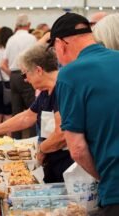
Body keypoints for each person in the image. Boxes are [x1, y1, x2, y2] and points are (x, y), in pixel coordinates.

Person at [49, 12, 119, 215]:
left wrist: (103, 176)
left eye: (55, 51)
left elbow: (77, 148)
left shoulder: (70, 74)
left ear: (61, 44)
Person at [0, 44, 73, 183]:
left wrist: (42, 149)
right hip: (52, 160)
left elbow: (61, 134)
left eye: (25, 73)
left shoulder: (62, 90)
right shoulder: (46, 91)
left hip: (66, 164)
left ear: (38, 70)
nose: (25, 79)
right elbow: (27, 116)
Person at [1, 14, 37, 139]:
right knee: (34, 110)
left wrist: (13, 74)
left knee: (15, 112)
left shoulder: (11, 39)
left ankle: (15, 141)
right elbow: (35, 58)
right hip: (26, 74)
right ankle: (34, 140)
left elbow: (3, 64)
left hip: (14, 76)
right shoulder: (31, 38)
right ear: (29, 24)